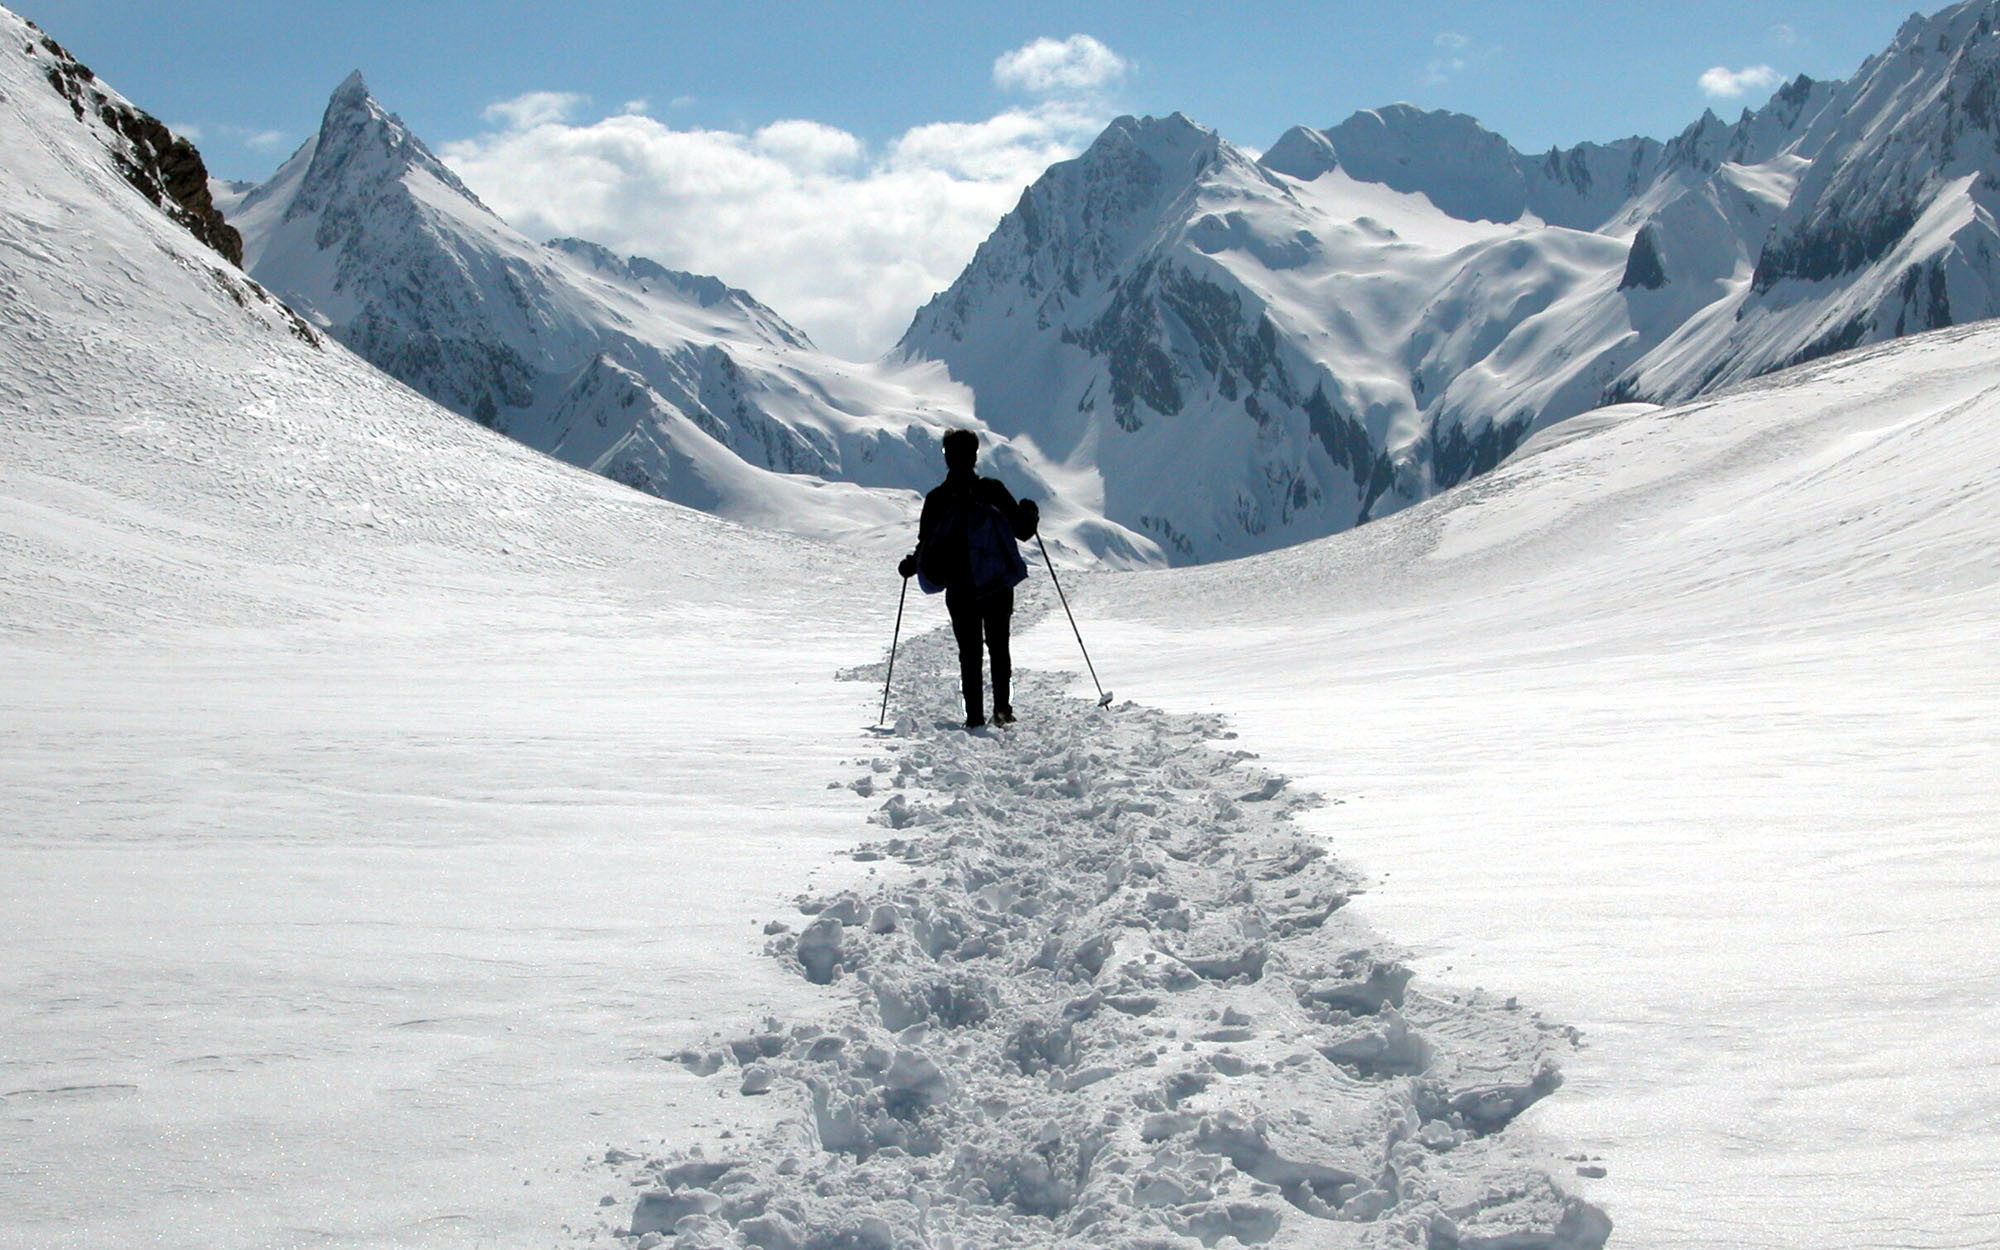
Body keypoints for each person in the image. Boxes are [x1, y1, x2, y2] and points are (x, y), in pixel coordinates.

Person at [898, 429, 1039, 729]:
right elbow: (1023, 531)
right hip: (997, 584)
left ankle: (973, 716)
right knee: (999, 648)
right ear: (975, 456)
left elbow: (925, 546)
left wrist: (911, 566)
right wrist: (1030, 512)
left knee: (969, 653)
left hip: (960, 589)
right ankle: (1003, 709)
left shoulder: (937, 499)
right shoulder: (993, 490)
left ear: (946, 457)